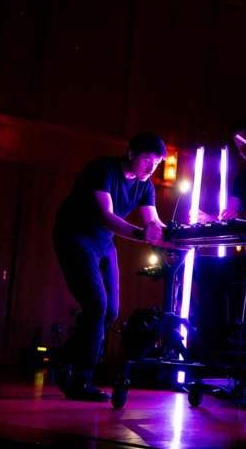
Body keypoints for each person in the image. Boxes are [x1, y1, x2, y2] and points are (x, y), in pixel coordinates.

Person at [53, 132, 167, 402]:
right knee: (96, 306)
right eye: (147, 160)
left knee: (110, 311)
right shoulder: (103, 169)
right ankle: (81, 380)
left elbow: (154, 222)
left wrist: (173, 234)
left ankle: (63, 361)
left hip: (104, 244)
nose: (151, 169)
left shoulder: (145, 186)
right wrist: (143, 234)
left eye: (157, 164)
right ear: (130, 154)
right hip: (75, 238)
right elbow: (106, 215)